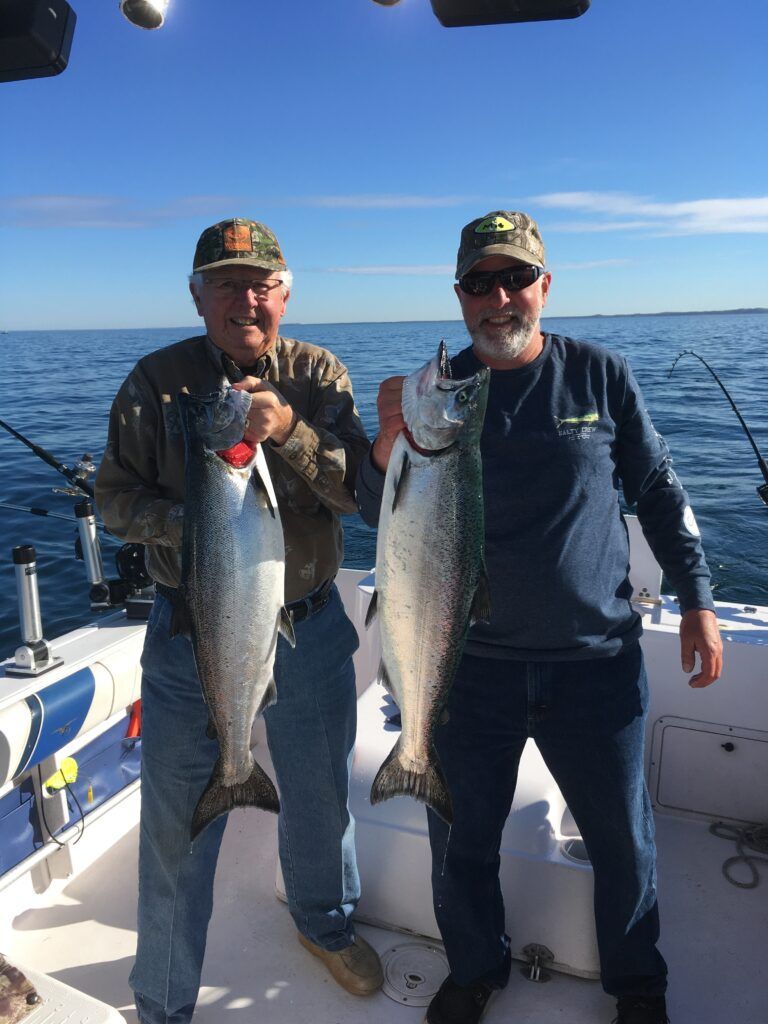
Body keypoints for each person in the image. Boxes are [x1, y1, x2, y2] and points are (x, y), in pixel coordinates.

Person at [356, 210, 723, 1024]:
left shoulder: (600, 375)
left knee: (624, 842)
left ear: (544, 286)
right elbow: (376, 513)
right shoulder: (433, 392)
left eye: (515, 277)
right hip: (465, 665)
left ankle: (638, 986)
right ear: (459, 296)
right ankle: (476, 968)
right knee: (461, 841)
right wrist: (382, 454)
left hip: (595, 662)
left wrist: (697, 597)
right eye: (479, 283)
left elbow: (659, 492)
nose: (499, 298)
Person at [95, 218, 382, 1024]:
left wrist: (289, 431)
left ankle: (324, 925)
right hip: (192, 630)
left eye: (260, 283)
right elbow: (113, 499)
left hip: (310, 623)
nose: (244, 299)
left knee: (323, 796)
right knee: (174, 828)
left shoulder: (320, 375)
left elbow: (357, 493)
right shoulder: (154, 383)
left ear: (285, 294)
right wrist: (194, 526)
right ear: (196, 297)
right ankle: (161, 1001)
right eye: (224, 284)